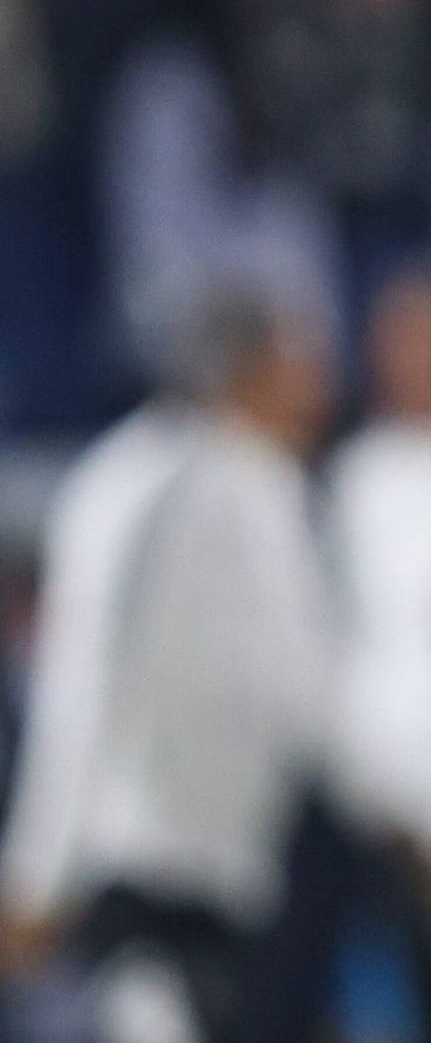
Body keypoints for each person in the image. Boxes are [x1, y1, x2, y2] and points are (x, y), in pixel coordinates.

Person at [0, 287, 335, 1043]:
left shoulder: (234, 480)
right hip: (141, 872)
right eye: (301, 358)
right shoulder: (150, 483)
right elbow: (80, 677)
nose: (321, 380)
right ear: (250, 368)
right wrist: (37, 869)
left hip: (224, 878)